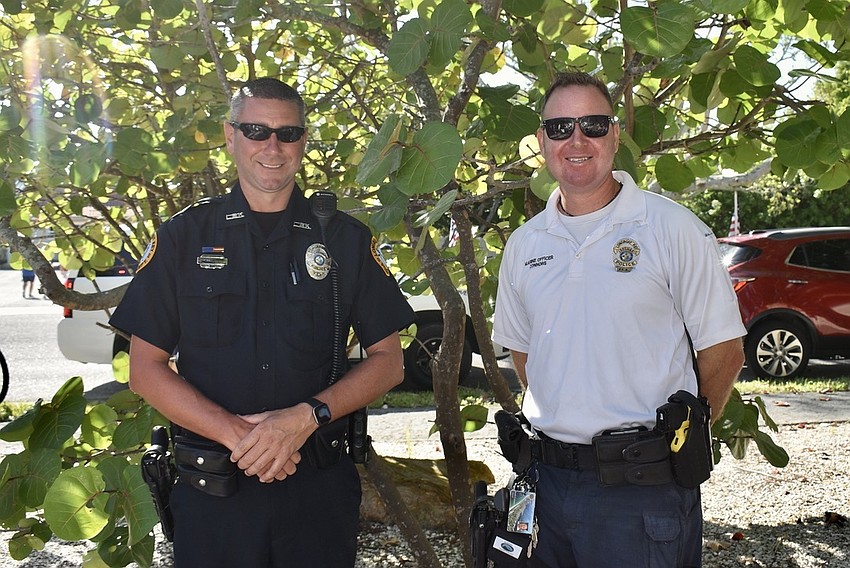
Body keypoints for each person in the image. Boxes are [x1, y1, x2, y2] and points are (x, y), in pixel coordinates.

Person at [110, 78, 414, 567]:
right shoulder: (184, 237)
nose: (273, 146)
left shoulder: (343, 240)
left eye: (287, 133)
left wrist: (301, 419)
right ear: (230, 138)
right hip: (214, 493)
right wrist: (242, 438)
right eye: (256, 131)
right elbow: (145, 368)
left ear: (303, 141)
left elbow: (389, 362)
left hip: (317, 490)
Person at [492, 71, 747, 567]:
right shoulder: (524, 245)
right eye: (561, 127)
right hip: (547, 485)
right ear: (542, 142)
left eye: (592, 123)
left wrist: (678, 442)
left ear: (614, 135)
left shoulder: (672, 229)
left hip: (642, 491)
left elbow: (723, 350)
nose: (576, 140)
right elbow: (527, 357)